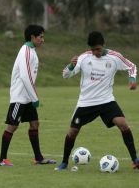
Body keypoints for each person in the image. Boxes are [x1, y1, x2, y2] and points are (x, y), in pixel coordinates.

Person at [55, 31, 139, 171]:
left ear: (103, 45)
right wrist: (70, 66)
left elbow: (132, 66)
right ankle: (64, 162)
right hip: (86, 103)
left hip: (106, 100)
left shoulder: (114, 57)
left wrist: (132, 80)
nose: (95, 52)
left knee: (123, 124)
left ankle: (135, 160)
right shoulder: (83, 58)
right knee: (72, 132)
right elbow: (65, 75)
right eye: (93, 49)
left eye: (98, 49)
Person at [0, 24, 56, 166]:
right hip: (19, 97)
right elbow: (25, 76)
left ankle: (38, 158)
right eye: (40, 37)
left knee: (34, 124)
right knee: (12, 125)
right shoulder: (26, 51)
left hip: (27, 96)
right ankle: (2, 159)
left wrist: (32, 97)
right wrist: (35, 98)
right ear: (32, 37)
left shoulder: (32, 51)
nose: (43, 39)